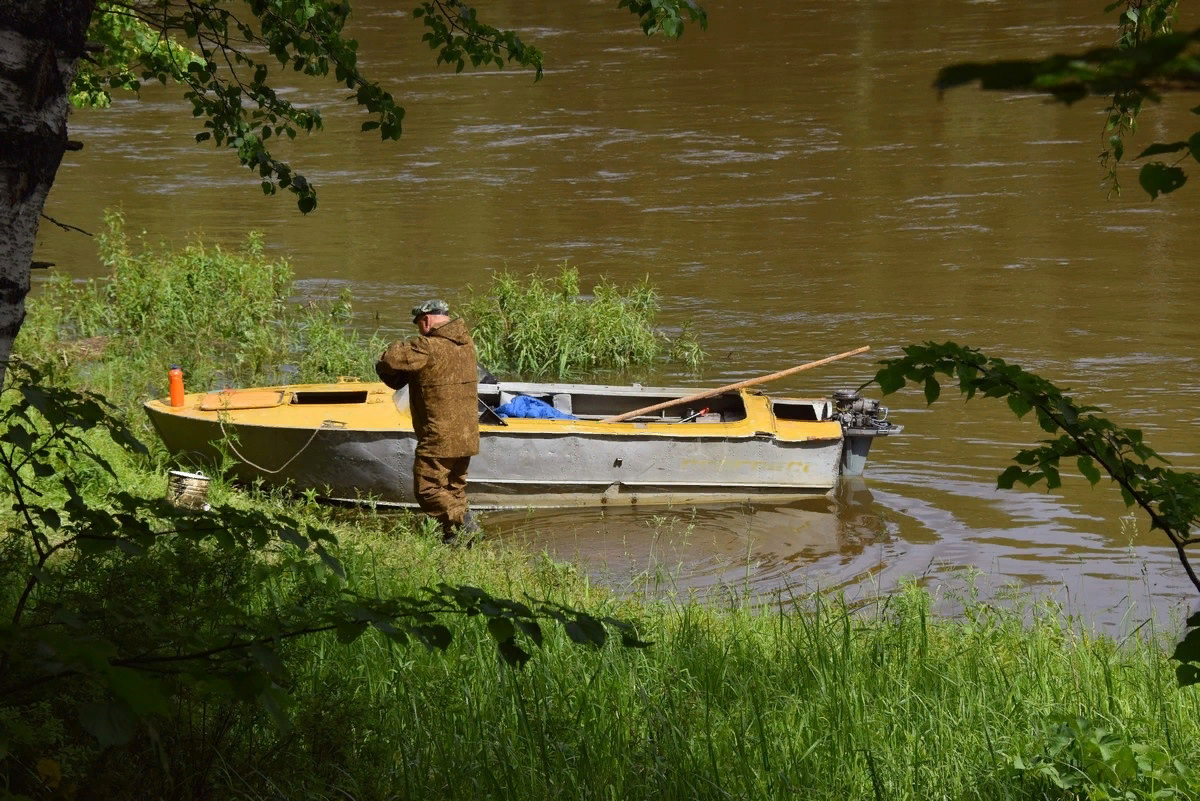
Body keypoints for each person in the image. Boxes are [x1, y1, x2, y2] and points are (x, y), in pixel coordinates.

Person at [375, 299, 480, 542]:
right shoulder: (466, 345)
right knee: (454, 489)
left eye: (418, 325)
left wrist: (384, 358)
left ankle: (463, 523)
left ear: (426, 320)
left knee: (428, 489)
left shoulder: (428, 347)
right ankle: (455, 541)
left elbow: (391, 359)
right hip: (467, 434)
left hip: (439, 435)